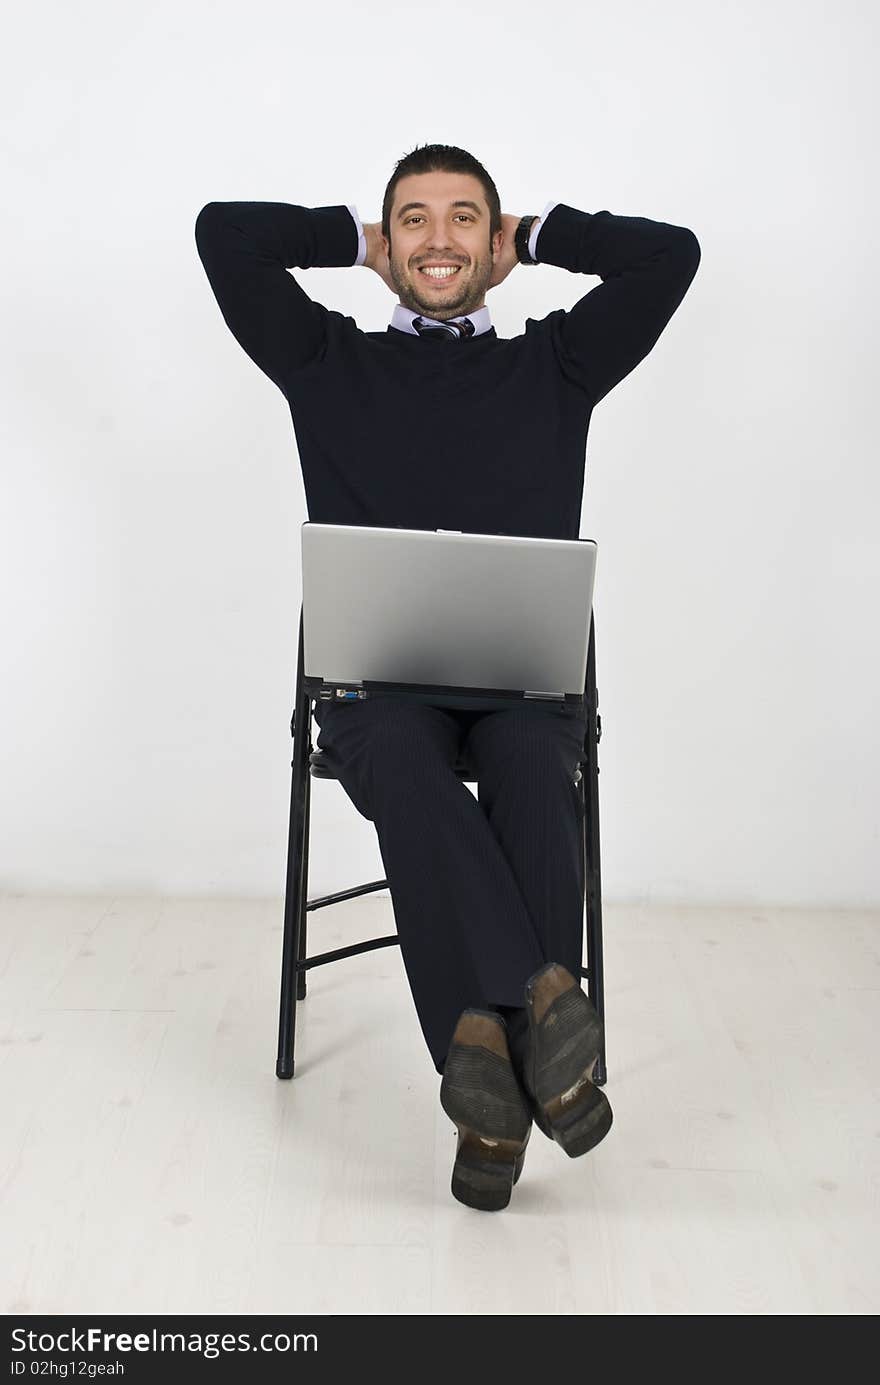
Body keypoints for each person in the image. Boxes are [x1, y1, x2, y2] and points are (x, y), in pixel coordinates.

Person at [194, 143, 701, 1212]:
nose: (437, 238)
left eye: (464, 217)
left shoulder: (556, 363)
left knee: (526, 769)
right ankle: (541, 1010)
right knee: (413, 774)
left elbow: (669, 259)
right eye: (413, 219)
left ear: (491, 240)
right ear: (389, 243)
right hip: (377, 695)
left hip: (523, 690)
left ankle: (488, 1093)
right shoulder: (325, 358)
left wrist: (547, 235)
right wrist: (347, 239)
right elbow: (222, 234)